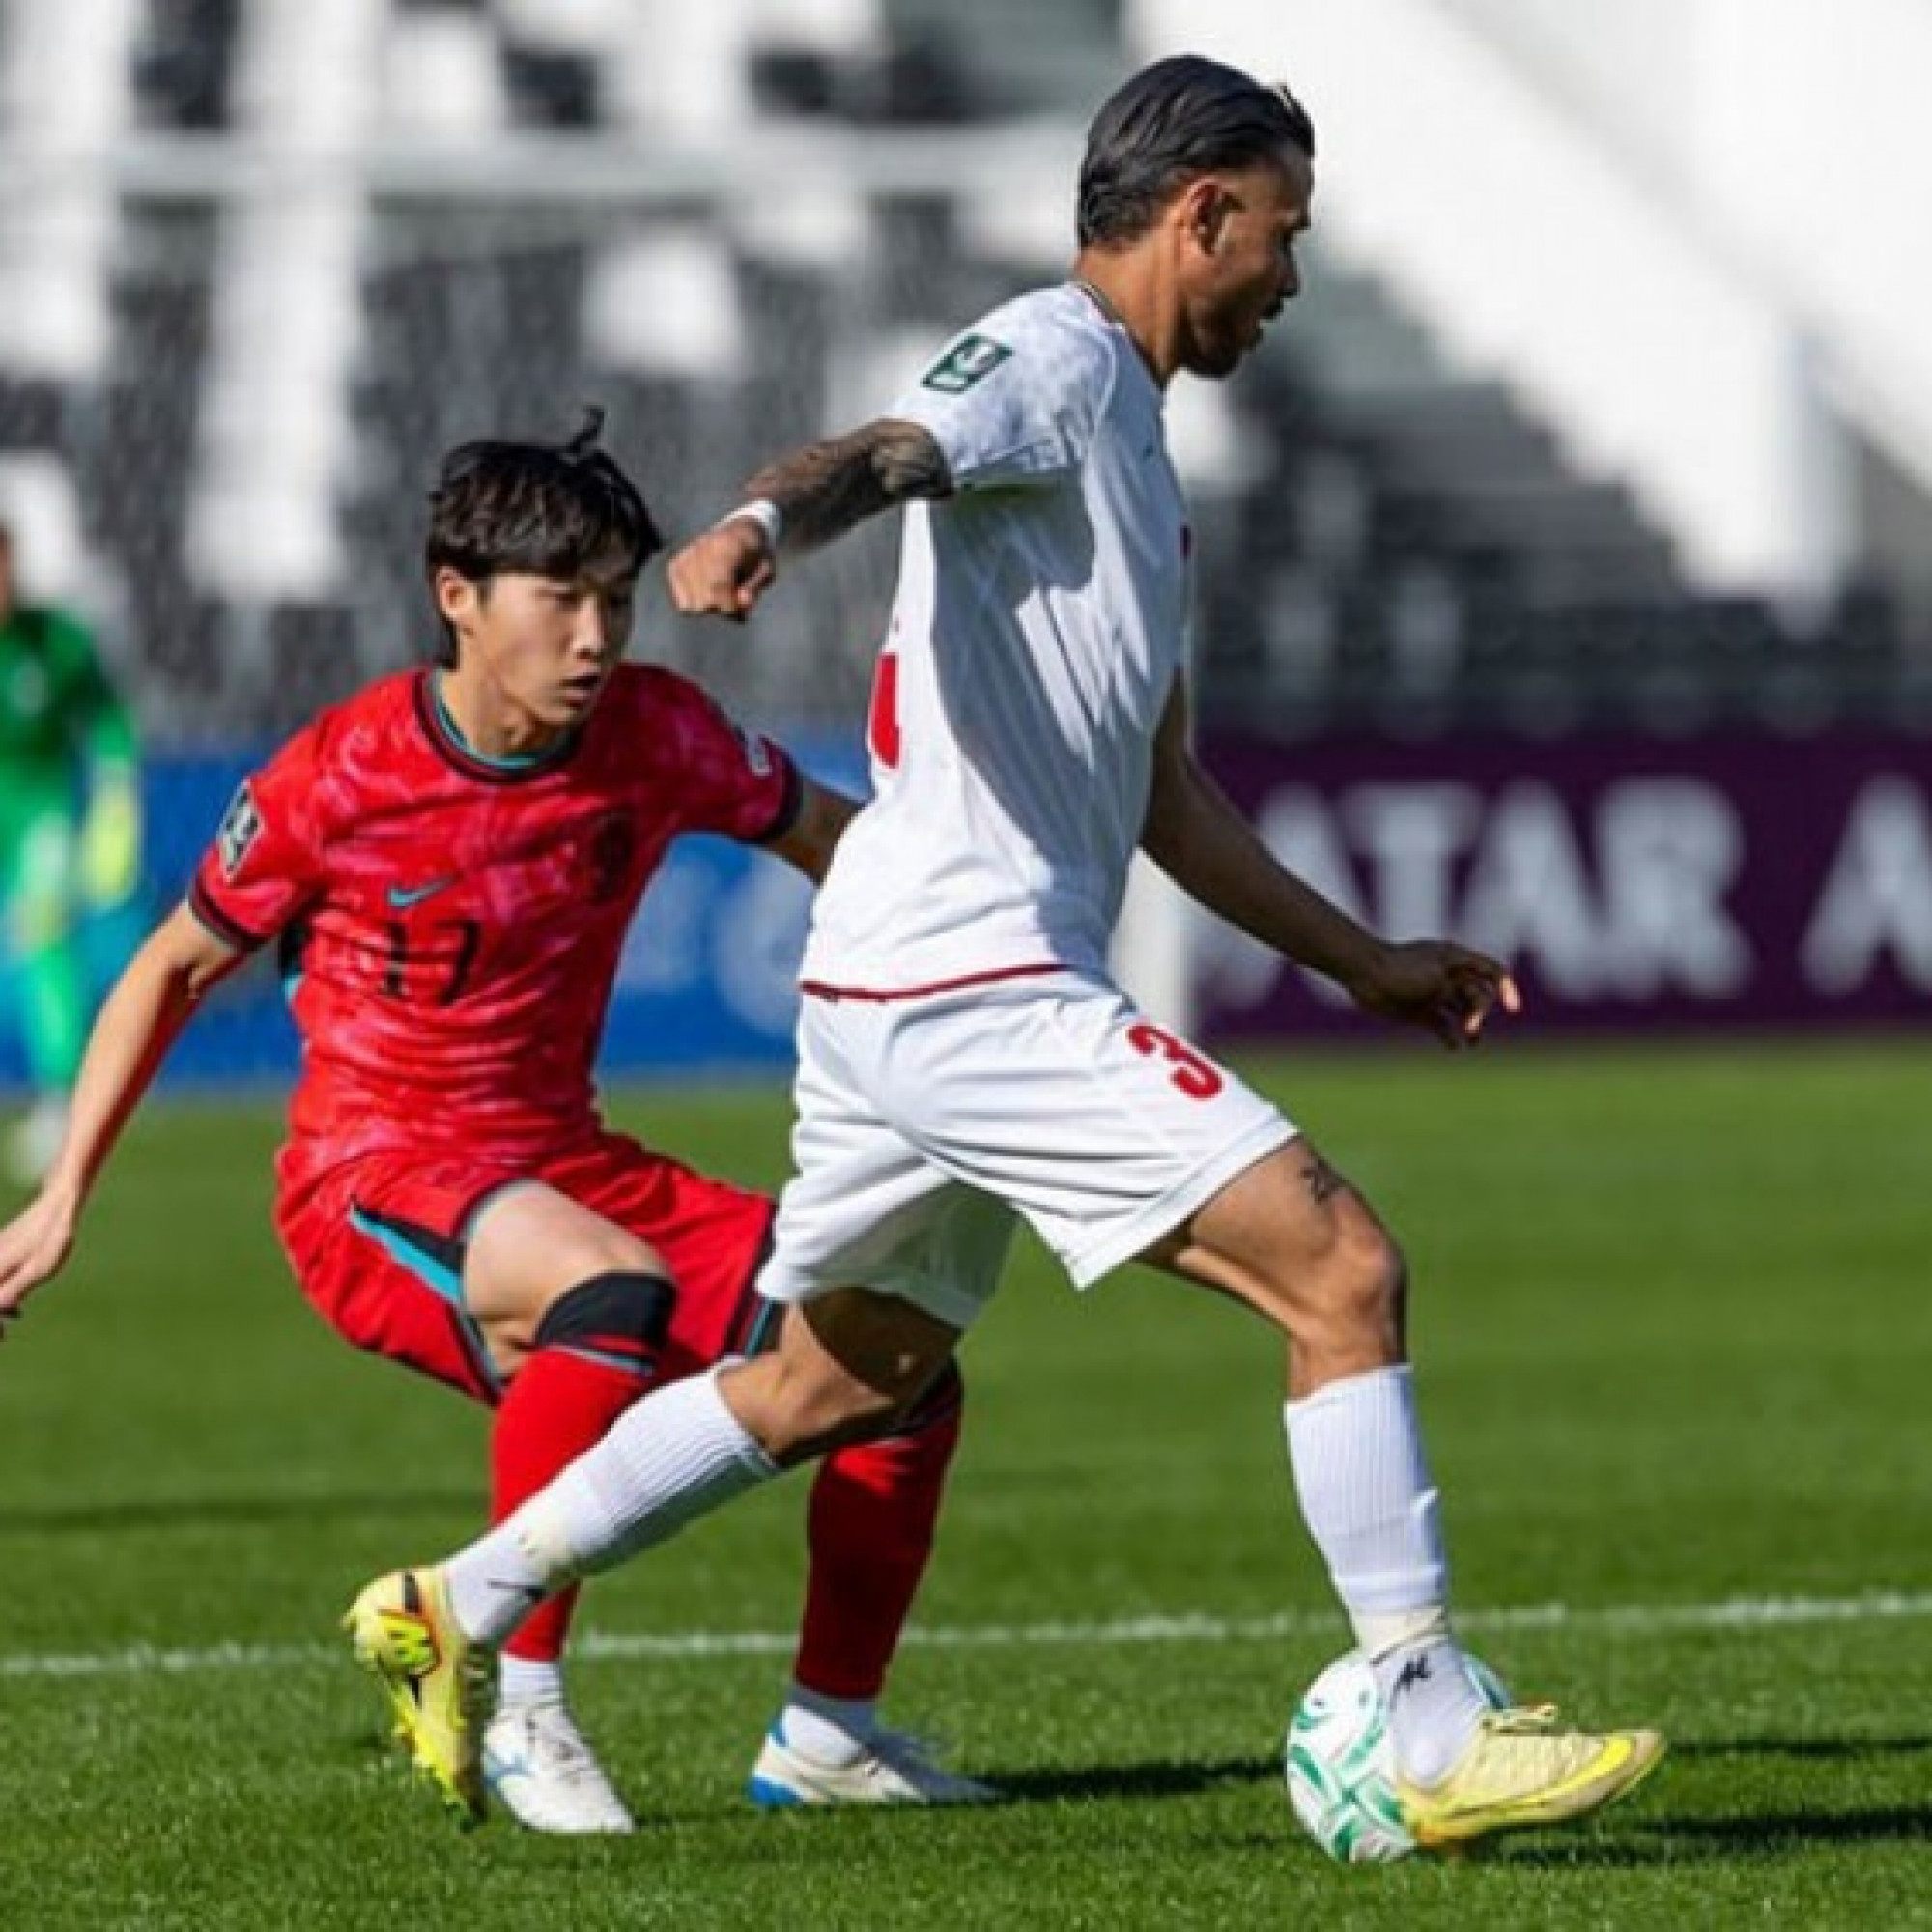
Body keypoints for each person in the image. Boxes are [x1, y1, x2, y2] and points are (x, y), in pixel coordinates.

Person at [340, 57, 1664, 1852]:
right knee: (1340, 1271)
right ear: (1200, 213)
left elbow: (1167, 799)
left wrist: (1364, 961)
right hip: (965, 980)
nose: (1290, 275)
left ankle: (462, 1600)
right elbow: (884, 452)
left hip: (929, 982)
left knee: (827, 1382)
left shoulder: (1139, 458)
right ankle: (1427, 1725)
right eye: (1281, 234)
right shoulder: (1049, 358)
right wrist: (754, 525)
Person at [0, 415, 991, 1833]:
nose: (596, 635)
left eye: (617, 597)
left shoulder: (656, 734)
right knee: (610, 1293)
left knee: (897, 1363)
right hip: (372, 1174)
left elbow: (840, 844)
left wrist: (982, 926)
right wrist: (61, 1197)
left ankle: (830, 1734)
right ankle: (523, 1708)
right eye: (561, 598)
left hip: (566, 1161)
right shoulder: (338, 776)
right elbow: (167, 966)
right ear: (456, 597)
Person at [0, 518, 143, 1187]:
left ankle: (62, 1097)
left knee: (43, 937)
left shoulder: (55, 643)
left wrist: (115, 798)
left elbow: (107, 720)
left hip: (40, 814)